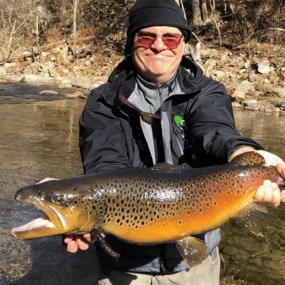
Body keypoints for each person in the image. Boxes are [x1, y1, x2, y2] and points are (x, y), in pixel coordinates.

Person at [64, 0, 285, 284]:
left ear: (183, 43)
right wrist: (82, 215)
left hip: (195, 265)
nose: (159, 46)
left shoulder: (207, 92)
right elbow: (104, 168)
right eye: (147, 36)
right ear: (131, 42)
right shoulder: (102, 102)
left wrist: (245, 153)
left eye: (170, 37)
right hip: (125, 266)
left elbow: (215, 131)